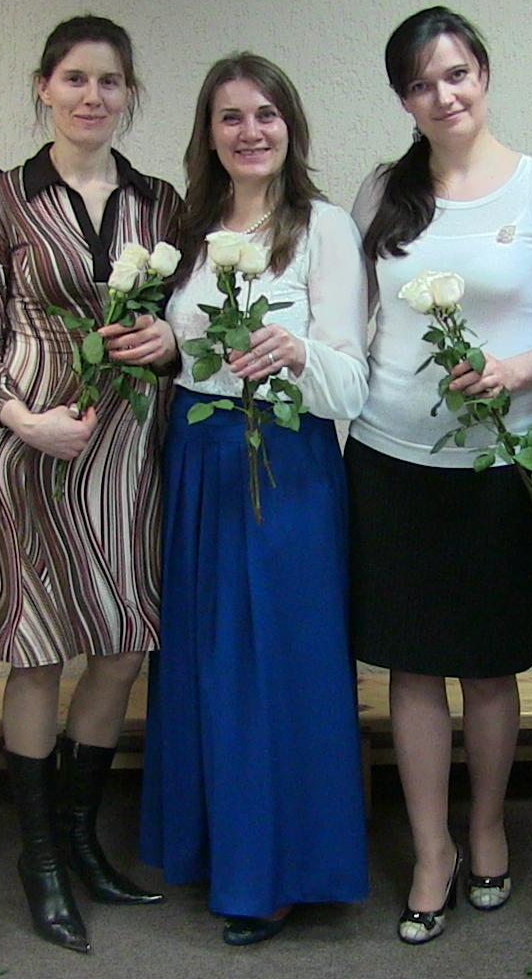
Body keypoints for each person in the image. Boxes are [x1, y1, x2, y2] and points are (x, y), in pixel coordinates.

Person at [349, 6, 532, 945]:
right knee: (411, 666)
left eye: (456, 74)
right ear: (403, 99)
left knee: (491, 669)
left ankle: (487, 827)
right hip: (390, 458)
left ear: (484, 73)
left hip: (500, 465)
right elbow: (352, 321)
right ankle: (431, 849)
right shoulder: (384, 192)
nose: (443, 96)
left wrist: (518, 369)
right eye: (421, 84)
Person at [138, 53, 371, 946]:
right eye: (230, 116)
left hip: (287, 463)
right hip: (200, 461)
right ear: (208, 133)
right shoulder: (189, 231)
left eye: (266, 114)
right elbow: (190, 354)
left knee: (280, 665)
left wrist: (297, 353)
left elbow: (351, 385)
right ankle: (218, 851)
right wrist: (165, 345)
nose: (250, 132)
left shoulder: (323, 228)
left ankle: (279, 870)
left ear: (290, 126)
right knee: (210, 662)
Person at [0, 14, 177, 954]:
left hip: (127, 449)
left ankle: (84, 838)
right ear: (43, 87)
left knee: (123, 647)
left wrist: (169, 343)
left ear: (129, 94)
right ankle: (39, 856)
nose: (93, 96)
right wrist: (21, 418)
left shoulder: (162, 202)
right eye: (75, 79)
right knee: (38, 652)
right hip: (33, 445)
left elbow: (185, 322)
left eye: (110, 81)